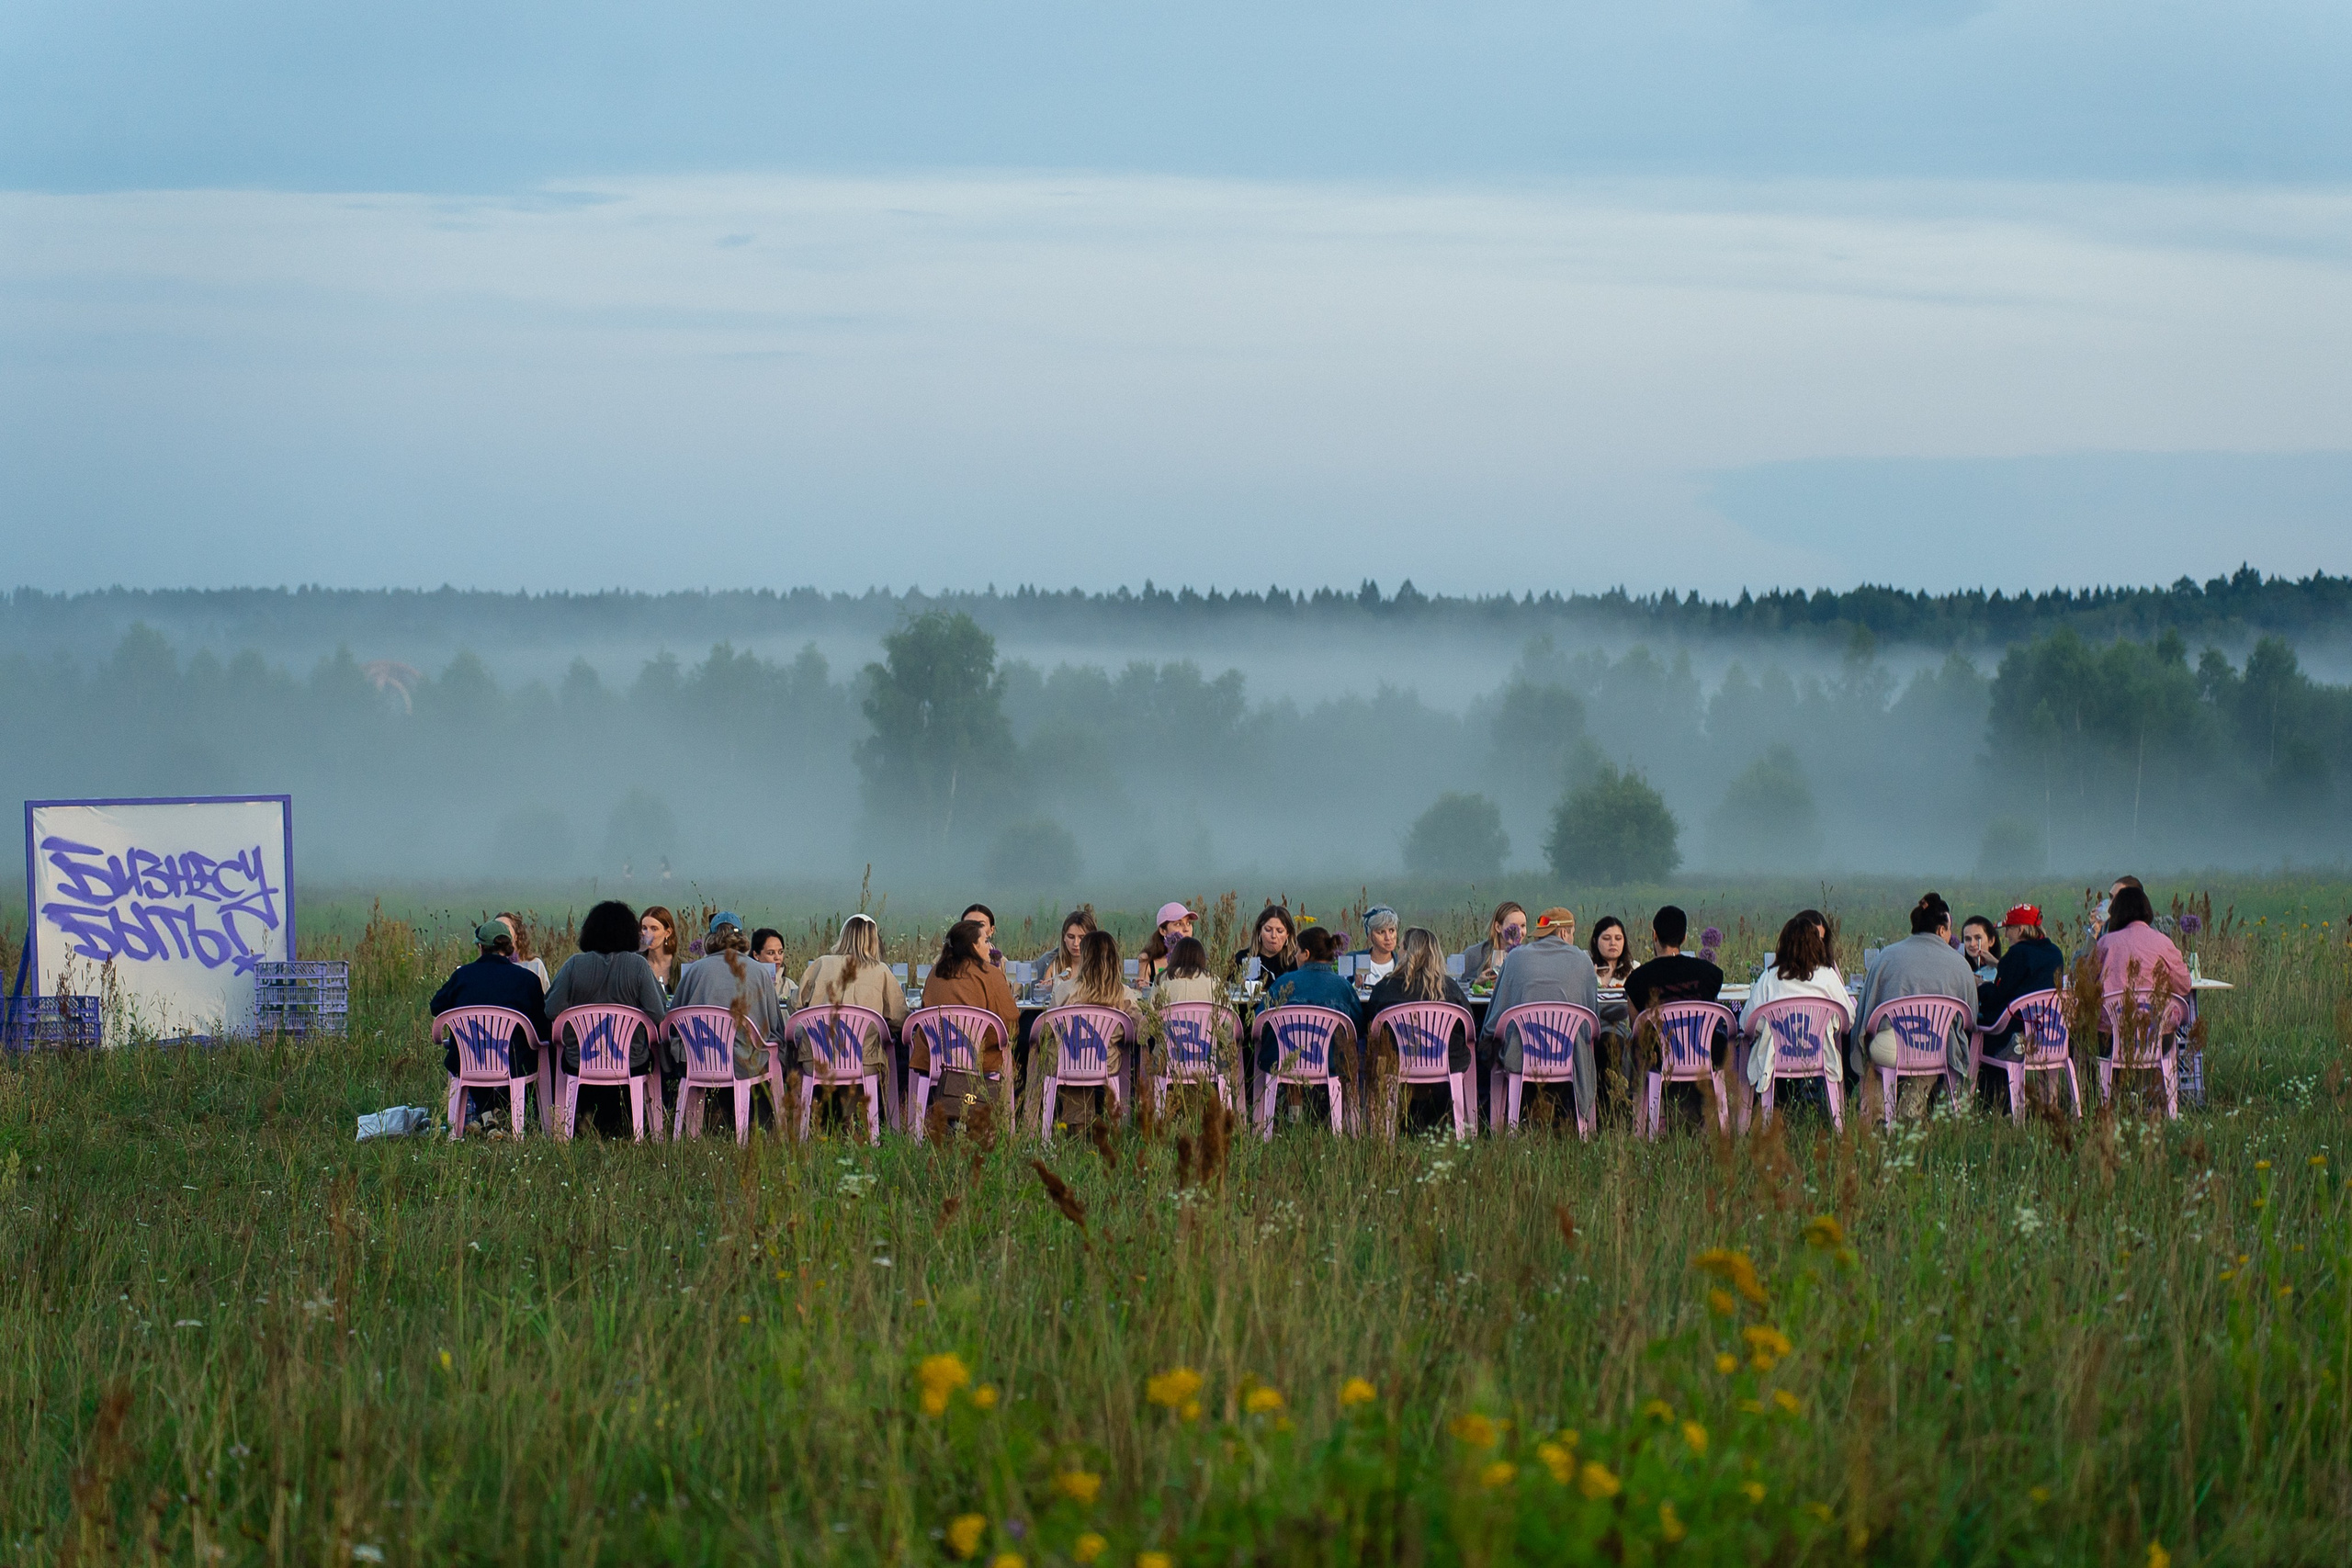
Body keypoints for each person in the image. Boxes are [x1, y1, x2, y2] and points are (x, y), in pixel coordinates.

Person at [543, 899, 671, 1134]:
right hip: (630, 1061)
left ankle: (580, 1119)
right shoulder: (638, 966)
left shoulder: (574, 964)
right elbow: (658, 1013)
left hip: (579, 1060)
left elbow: (551, 1010)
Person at [1848, 891, 1977, 1119]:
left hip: (1891, 1048)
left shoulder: (1886, 956)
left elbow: (1865, 1014)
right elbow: (1970, 1018)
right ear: (1941, 930)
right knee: (1937, 1044)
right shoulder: (1960, 963)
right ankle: (1912, 1107)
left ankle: (1876, 1113)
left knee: (1873, 1048)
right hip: (1936, 1048)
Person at [1478, 906, 1602, 1126]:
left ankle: (1502, 1120)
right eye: (1572, 934)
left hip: (1521, 1054)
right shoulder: (1583, 961)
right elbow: (1593, 1019)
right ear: (1564, 933)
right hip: (1569, 1054)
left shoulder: (1515, 958)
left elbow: (1497, 1015)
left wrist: (1488, 1039)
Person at [431, 919, 550, 1130]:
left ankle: (487, 1115)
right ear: (509, 947)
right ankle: (502, 1115)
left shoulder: (462, 976)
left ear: (480, 947)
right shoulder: (528, 979)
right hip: (514, 1063)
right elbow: (543, 1027)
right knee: (525, 1052)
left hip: (467, 1061)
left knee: (474, 1049)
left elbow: (436, 1007)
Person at [669, 912, 786, 1125]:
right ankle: (763, 1122)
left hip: (699, 1061)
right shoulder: (760, 972)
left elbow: (673, 1021)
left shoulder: (694, 971)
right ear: (742, 937)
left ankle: (697, 1121)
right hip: (746, 1062)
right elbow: (775, 1025)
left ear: (710, 937)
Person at [792, 914, 911, 1102]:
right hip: (864, 1062)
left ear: (843, 936)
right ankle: (881, 1113)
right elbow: (899, 1018)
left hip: (815, 1060)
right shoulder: (881, 970)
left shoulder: (821, 963)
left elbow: (796, 1006)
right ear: (874, 940)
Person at [1364, 927, 1475, 1130]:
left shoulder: (1385, 988)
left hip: (1396, 1062)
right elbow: (1468, 1028)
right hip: (1446, 1062)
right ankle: (1457, 1123)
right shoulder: (1450, 988)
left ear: (1407, 952)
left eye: (1401, 948)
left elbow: (1371, 1027)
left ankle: (1387, 1125)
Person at [1028, 930, 1139, 1131]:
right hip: (1107, 1063)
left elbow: (1046, 1029)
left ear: (1085, 959)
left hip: (1067, 1063)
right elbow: (1138, 1030)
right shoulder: (1123, 993)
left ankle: (1074, 1127)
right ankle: (1118, 1123)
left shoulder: (1065, 989)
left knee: (1067, 1054)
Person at [1738, 910, 1852, 1099]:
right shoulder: (1828, 976)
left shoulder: (1769, 977)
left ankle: (1769, 1105)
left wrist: (1773, 1029)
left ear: (1784, 944)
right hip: (1821, 1056)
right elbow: (1848, 1018)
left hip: (1776, 1058)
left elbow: (1747, 1023)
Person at [915, 919, 1021, 1119]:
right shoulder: (990, 974)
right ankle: (1003, 1122)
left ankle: (922, 1126)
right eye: (986, 941)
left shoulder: (935, 973)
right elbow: (1010, 1022)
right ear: (974, 946)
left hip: (937, 1059)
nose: (990, 947)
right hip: (980, 1061)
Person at [1975, 904, 2066, 1097]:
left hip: (2017, 1034)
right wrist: (1999, 964)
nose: (2006, 934)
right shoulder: (2055, 953)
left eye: (2008, 929)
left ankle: (1994, 1100)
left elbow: (1998, 996)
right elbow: (2029, 980)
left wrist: (1980, 985)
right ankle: (2049, 1101)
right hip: (2050, 1037)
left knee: (1978, 1031)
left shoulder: (2017, 953)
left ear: (2020, 930)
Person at [1261, 924, 1365, 1082]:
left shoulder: (1283, 982)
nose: (1295, 957)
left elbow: (1260, 1023)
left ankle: (1286, 1099)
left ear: (1306, 954)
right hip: (1331, 1064)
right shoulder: (1343, 987)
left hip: (1284, 1063)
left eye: (1297, 952)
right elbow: (1358, 1027)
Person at [2095, 885, 2193, 1043]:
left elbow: (2085, 983)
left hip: (2111, 1037)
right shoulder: (2164, 943)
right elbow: (2184, 985)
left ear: (2115, 913)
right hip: (2157, 1037)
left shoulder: (2105, 943)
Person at [1460, 901, 1528, 988]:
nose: (1519, 932)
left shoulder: (1527, 957)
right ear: (1498, 927)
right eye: (1513, 926)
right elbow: (1453, 985)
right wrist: (1475, 983)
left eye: (1523, 926)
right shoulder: (1474, 955)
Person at [1233, 905, 1301, 986]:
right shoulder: (1243, 958)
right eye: (1268, 930)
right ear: (1259, 931)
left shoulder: (1295, 962)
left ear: (1287, 934)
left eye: (1279, 931)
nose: (1273, 935)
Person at [1035, 908, 1096, 997]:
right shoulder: (1053, 964)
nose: (1076, 943)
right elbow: (1041, 999)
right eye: (1071, 937)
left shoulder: (1101, 966)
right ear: (1064, 937)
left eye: (1082, 938)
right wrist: (1043, 991)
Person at [1149, 936, 1221, 1006]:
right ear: (1201, 957)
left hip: (1170, 1014)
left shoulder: (1163, 978)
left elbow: (1151, 1009)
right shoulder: (1213, 980)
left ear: (1175, 956)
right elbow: (1225, 1009)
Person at [1140, 902, 1196, 987]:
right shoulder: (1148, 962)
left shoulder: (1196, 959)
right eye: (1178, 924)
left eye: (1188, 923)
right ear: (1163, 931)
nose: (1186, 929)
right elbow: (1144, 992)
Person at [494, 911, 549, 991]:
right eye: (496, 929)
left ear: (516, 935)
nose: (500, 932)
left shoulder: (535, 964)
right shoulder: (489, 966)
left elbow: (546, 994)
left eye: (505, 928)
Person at [749, 928, 798, 1004]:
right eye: (771, 953)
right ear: (756, 955)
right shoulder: (744, 985)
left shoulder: (789, 986)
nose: (777, 957)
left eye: (780, 952)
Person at [640, 905, 681, 994]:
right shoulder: (635, 964)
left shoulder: (681, 966)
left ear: (668, 933)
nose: (647, 934)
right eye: (644, 928)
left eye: (654, 929)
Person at [1357, 906, 1401, 987]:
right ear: (1369, 936)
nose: (1388, 937)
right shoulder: (1355, 961)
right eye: (1381, 932)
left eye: (1391, 930)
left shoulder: (1403, 964)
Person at [1588, 916, 1634, 987]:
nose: (1613, 943)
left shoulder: (1634, 969)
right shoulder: (1584, 964)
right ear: (1595, 941)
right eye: (1606, 938)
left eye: (1618, 938)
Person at [960, 904, 1004, 968]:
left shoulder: (1003, 964)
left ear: (992, 930)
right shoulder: (948, 960)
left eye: (981, 925)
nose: (974, 929)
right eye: (968, 924)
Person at [1962, 916, 2002, 982]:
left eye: (1978, 938)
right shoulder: (1960, 971)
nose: (1972, 944)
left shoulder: (2001, 972)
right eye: (1968, 939)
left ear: (1991, 941)